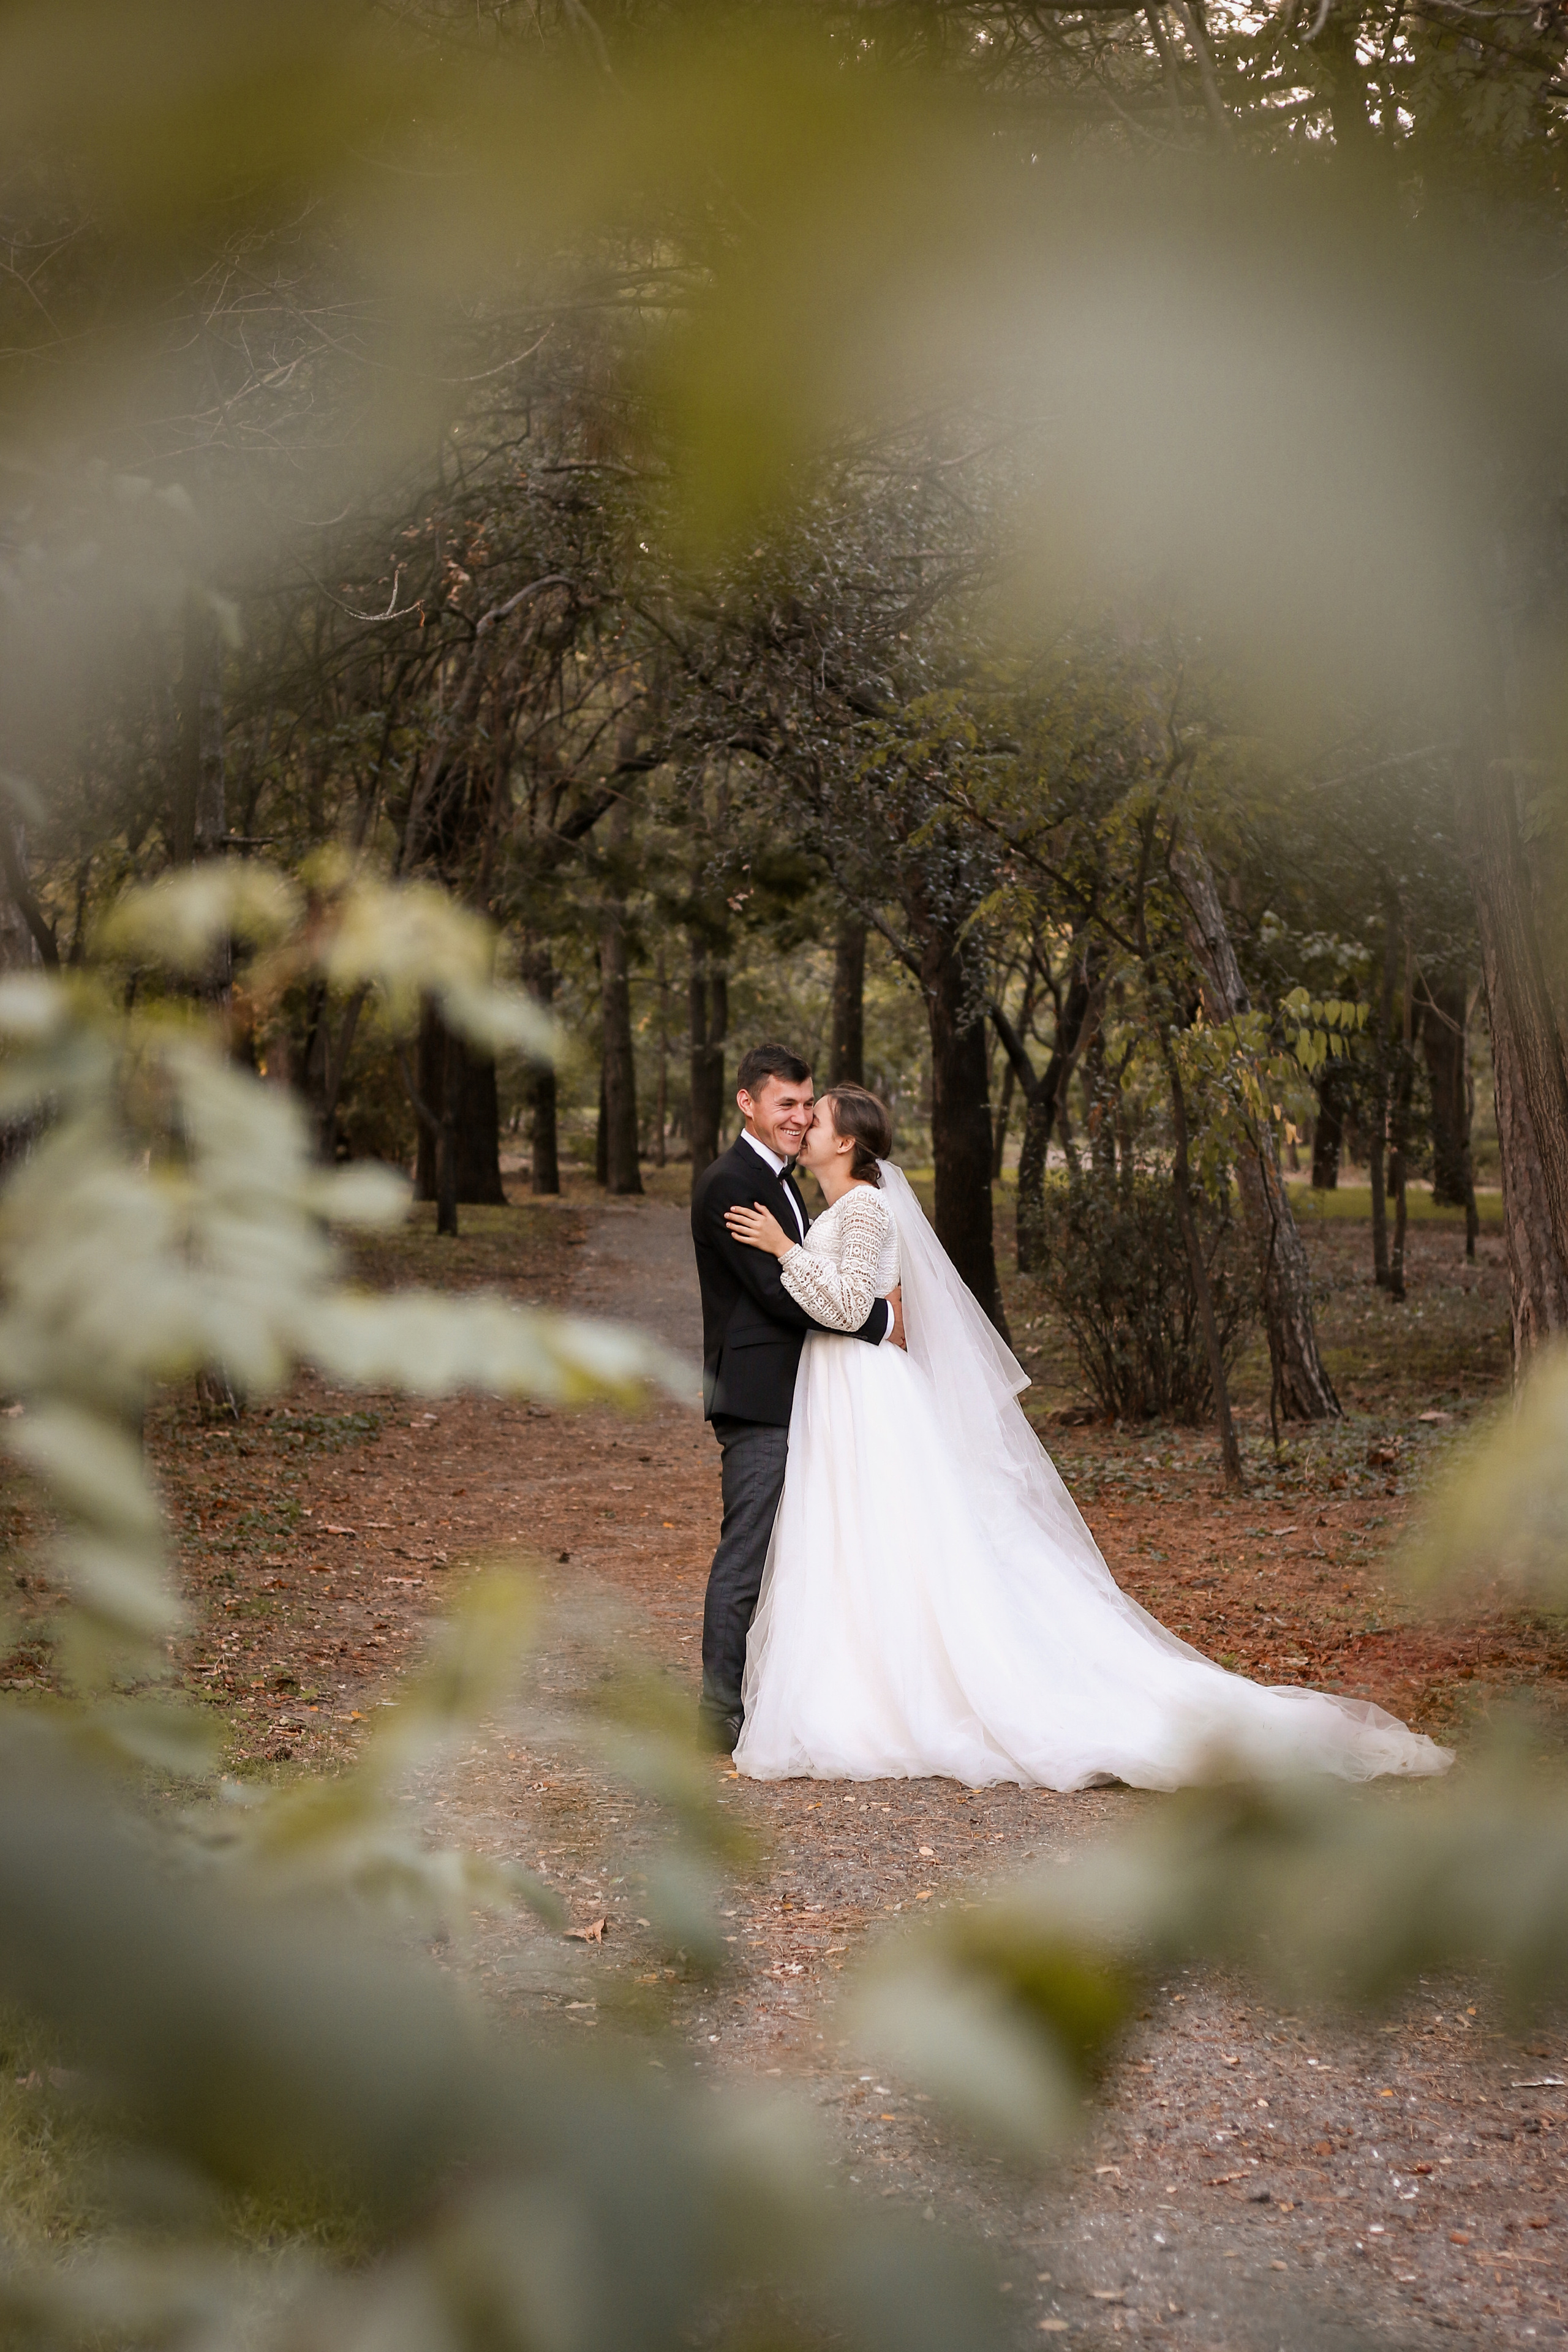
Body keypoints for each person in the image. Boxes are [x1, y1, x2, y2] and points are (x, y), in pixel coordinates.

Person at [722, 1082, 1452, 1790]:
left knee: (892, 1539)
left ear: (845, 1140)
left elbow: (849, 1307)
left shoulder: (866, 1210)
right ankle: (865, 1682)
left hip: (867, 1391)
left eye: (812, 1117)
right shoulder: (846, 1207)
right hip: (846, 1391)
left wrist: (786, 1248)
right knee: (860, 1540)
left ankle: (907, 1693)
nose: (801, 1125)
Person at [690, 1044, 905, 1754]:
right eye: (785, 1104)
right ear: (748, 1103)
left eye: (806, 1105)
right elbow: (777, 1293)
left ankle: (786, 1696)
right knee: (747, 1553)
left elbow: (810, 1268)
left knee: (811, 1552)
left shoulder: (791, 1184)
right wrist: (877, 1320)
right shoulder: (732, 1182)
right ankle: (718, 1713)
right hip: (761, 1397)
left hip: (811, 1395)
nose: (798, 1117)